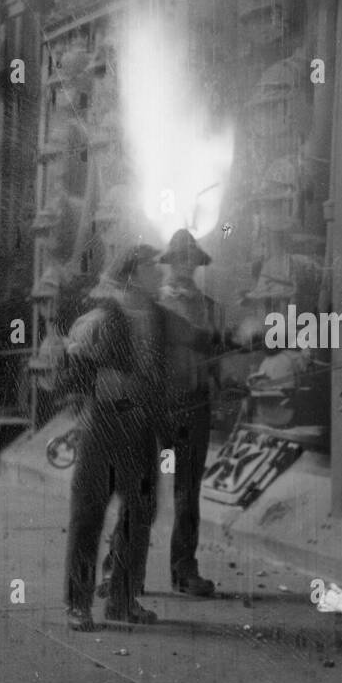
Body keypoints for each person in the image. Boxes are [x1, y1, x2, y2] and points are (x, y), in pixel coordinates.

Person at [62, 244, 166, 628]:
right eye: (154, 267)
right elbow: (77, 376)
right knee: (88, 516)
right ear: (134, 273)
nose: (162, 272)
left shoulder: (157, 316)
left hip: (140, 429)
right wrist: (111, 381)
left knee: (139, 515)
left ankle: (123, 599)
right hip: (102, 428)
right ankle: (78, 604)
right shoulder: (103, 317)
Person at [150, 229, 227, 596]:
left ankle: (184, 569)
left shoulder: (210, 307)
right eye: (178, 259)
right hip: (156, 406)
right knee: (141, 486)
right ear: (168, 263)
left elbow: (217, 360)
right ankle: (118, 570)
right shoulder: (152, 306)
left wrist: (222, 384)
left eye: (190, 259)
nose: (184, 265)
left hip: (195, 407)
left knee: (187, 492)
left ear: (197, 264)